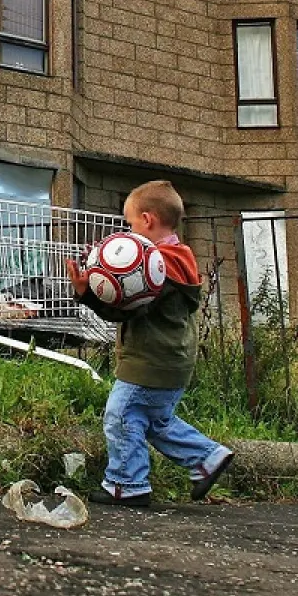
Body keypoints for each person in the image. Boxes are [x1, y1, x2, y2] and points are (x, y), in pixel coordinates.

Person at [65, 180, 234, 507]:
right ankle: (207, 457)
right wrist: (103, 268)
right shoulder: (179, 257)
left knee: (121, 415)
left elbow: (126, 310)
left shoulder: (155, 264)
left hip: (149, 359)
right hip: (173, 359)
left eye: (129, 223)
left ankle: (126, 483)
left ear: (147, 220)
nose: (128, 230)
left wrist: (88, 292)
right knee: (155, 422)